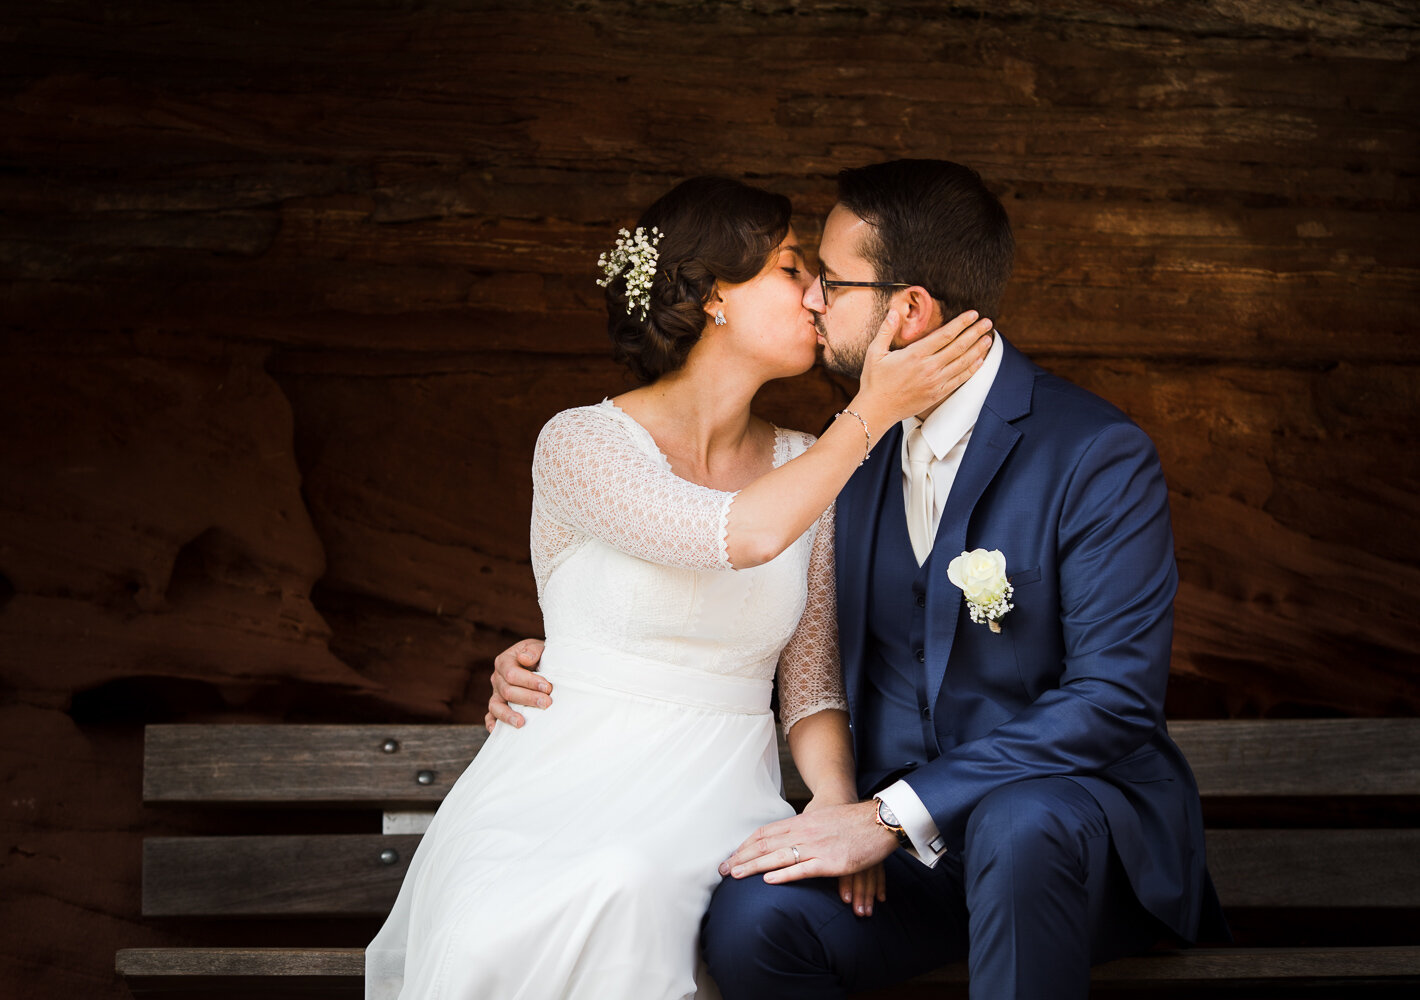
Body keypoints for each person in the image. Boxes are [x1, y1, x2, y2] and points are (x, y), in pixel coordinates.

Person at [488, 159, 1227, 999]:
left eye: (830, 280)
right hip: (904, 857)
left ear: (908, 308)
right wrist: (571, 652)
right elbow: (756, 615)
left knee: (1022, 828)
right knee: (753, 922)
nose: (812, 298)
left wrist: (884, 814)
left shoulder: (1093, 454)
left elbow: (1113, 701)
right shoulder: (840, 463)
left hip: (1064, 849)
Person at [366, 175, 994, 1000]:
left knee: (642, 885)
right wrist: (870, 414)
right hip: (561, 791)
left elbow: (808, 684)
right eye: (788, 267)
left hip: (717, 799)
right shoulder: (581, 445)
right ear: (713, 299)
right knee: (569, 897)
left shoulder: (806, 461)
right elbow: (737, 536)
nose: (815, 295)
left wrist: (836, 807)